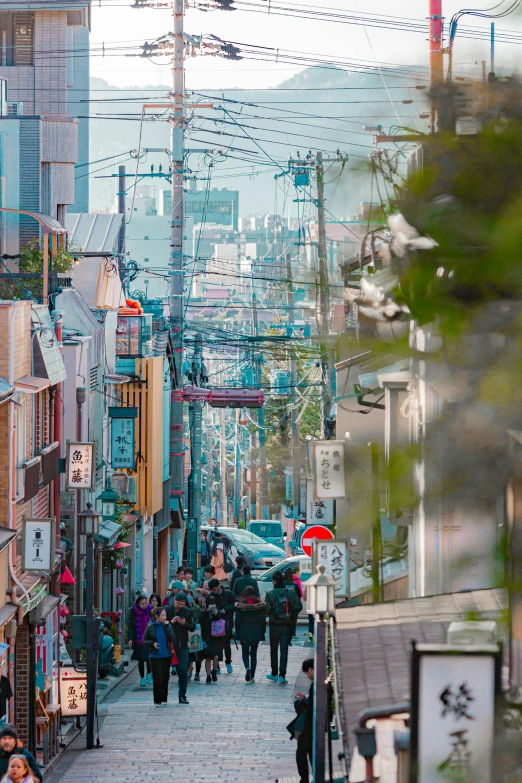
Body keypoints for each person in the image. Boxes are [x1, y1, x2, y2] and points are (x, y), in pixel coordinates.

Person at [266, 571, 302, 684]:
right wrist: (290, 613)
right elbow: (299, 606)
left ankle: (274, 673)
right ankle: (282, 675)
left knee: (273, 650)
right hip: (287, 625)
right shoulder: (290, 592)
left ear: (274, 581)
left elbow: (266, 611)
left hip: (274, 625)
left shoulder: (270, 594)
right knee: (284, 650)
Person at [201, 578, 236, 681]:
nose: (214, 592)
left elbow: (234, 604)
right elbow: (206, 613)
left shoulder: (229, 594)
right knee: (216, 647)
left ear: (219, 586)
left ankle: (228, 662)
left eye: (215, 589)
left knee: (226, 643)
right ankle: (216, 668)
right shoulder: (211, 597)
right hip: (214, 625)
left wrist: (224, 610)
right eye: (212, 590)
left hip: (226, 622)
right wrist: (209, 611)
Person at [143, 607, 176, 706]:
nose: (164, 617)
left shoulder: (167, 626)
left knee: (165, 677)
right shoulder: (150, 627)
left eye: (165, 615)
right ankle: (157, 700)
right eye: (162, 615)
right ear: (157, 616)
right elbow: (144, 641)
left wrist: (167, 627)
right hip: (155, 655)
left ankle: (164, 698)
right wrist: (152, 643)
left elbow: (173, 638)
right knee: (157, 677)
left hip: (166, 655)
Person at [165, 593, 195, 704]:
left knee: (183, 671)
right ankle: (163, 695)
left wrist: (184, 623)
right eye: (178, 603)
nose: (180, 606)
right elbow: (160, 624)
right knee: (164, 673)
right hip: (168, 646)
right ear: (174, 600)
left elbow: (192, 627)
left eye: (182, 604)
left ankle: (182, 695)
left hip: (182, 645)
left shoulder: (187, 611)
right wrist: (171, 622)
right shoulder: (167, 610)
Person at [234, 586, 266, 684]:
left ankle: (247, 667)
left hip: (244, 631)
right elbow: (263, 620)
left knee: (245, 653)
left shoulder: (240, 605)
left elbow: (237, 620)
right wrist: (263, 631)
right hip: (256, 631)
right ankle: (252, 676)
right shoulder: (260, 605)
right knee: (254, 654)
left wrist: (237, 630)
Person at [293, 658, 314, 783]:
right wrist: (306, 697)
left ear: (311, 669)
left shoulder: (315, 684)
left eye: (307, 673)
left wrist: (303, 701)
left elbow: (311, 705)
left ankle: (304, 779)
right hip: (313, 725)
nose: (307, 676)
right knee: (311, 751)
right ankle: (314, 776)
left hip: (309, 724)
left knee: (301, 751)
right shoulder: (321, 682)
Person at [127, 595, 152, 687]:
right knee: (141, 659)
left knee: (149, 657)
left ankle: (149, 674)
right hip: (138, 638)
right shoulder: (133, 611)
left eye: (146, 603)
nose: (144, 605)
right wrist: (130, 638)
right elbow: (130, 626)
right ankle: (142, 678)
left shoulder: (151, 610)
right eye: (142, 604)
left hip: (149, 638)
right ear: (138, 603)